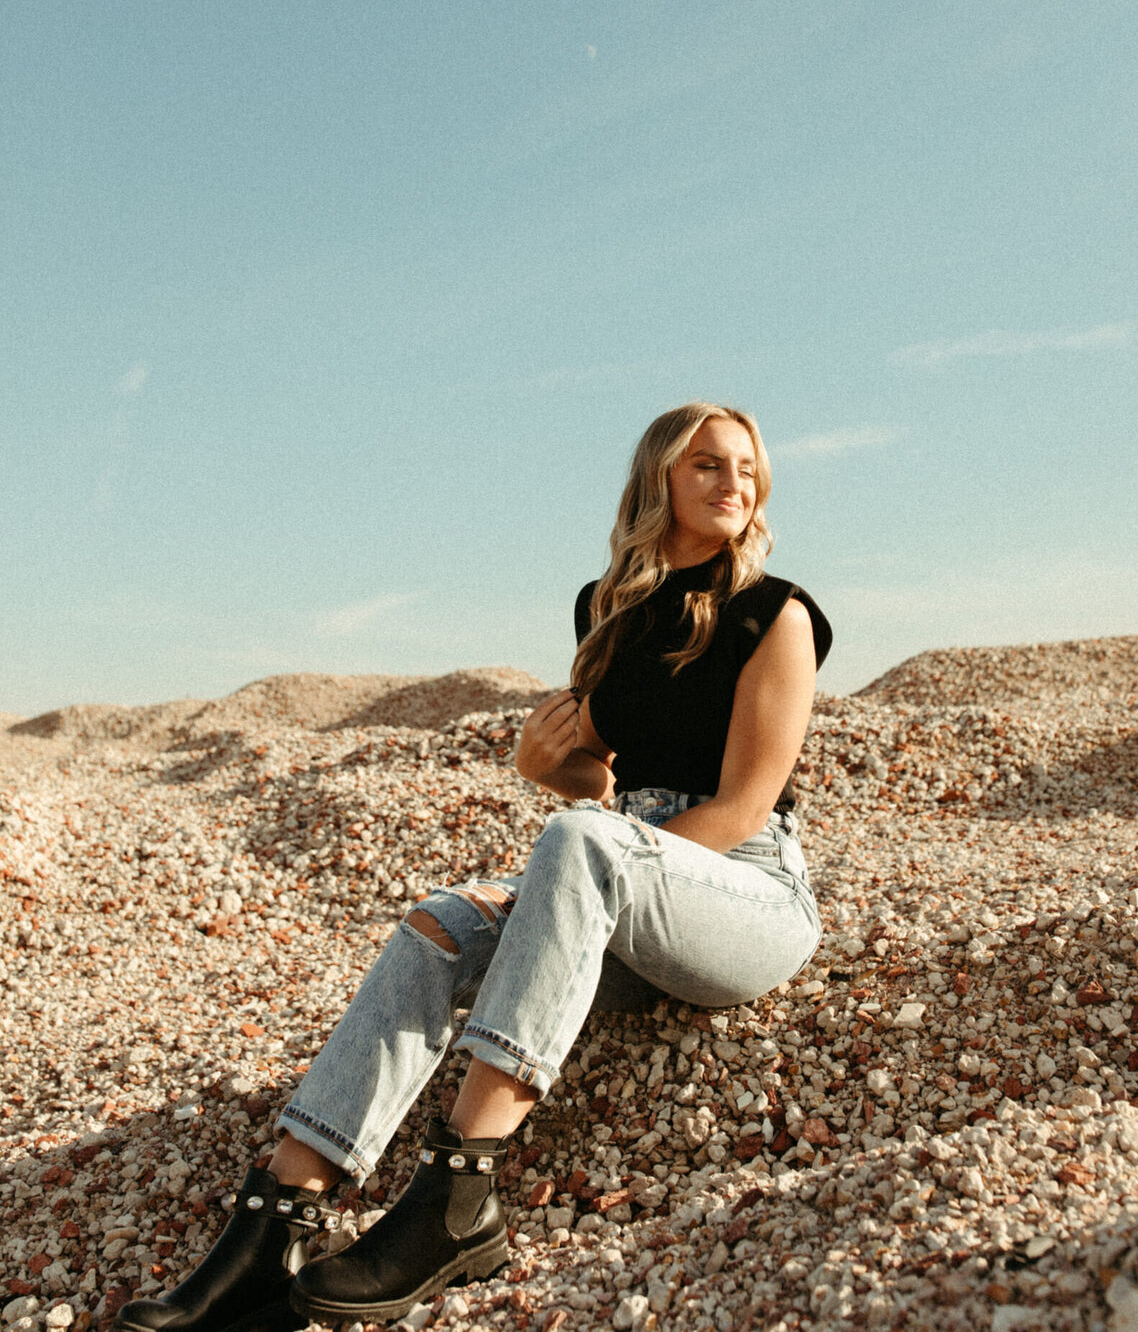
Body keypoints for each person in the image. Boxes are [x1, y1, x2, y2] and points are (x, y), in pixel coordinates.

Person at [116, 401, 831, 1332]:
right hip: (622, 879)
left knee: (584, 843)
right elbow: (598, 777)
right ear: (659, 479)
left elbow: (740, 808)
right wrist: (548, 769)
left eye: (745, 467)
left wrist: (580, 863)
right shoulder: (605, 607)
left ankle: (459, 1195)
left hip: (745, 892)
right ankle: (277, 1222)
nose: (733, 482)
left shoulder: (778, 616)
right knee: (439, 921)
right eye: (706, 465)